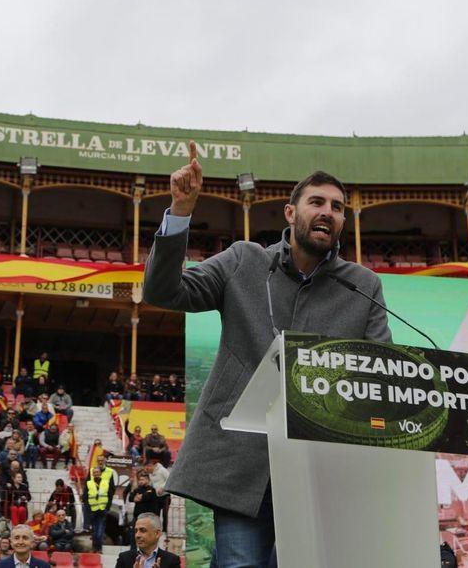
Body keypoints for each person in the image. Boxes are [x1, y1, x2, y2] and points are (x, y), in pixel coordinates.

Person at [143, 144, 392, 568]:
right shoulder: (244, 261)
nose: (328, 212)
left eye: (337, 206)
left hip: (320, 475)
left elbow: (379, 375)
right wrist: (181, 209)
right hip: (242, 466)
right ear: (290, 213)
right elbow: (164, 292)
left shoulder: (363, 285)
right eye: (316, 202)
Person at [114, 514, 180, 568]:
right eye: (136, 531)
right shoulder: (124, 558)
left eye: (143, 530)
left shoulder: (172, 560)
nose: (137, 535)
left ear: (157, 534)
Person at [83, 456, 114, 552]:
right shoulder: (90, 482)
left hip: (102, 508)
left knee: (100, 531)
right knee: (94, 531)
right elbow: (85, 495)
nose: (100, 462)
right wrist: (88, 508)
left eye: (102, 460)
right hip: (92, 509)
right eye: (98, 460)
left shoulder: (108, 475)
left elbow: (111, 492)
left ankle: (98, 548)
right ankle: (94, 548)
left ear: (105, 461)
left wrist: (107, 507)